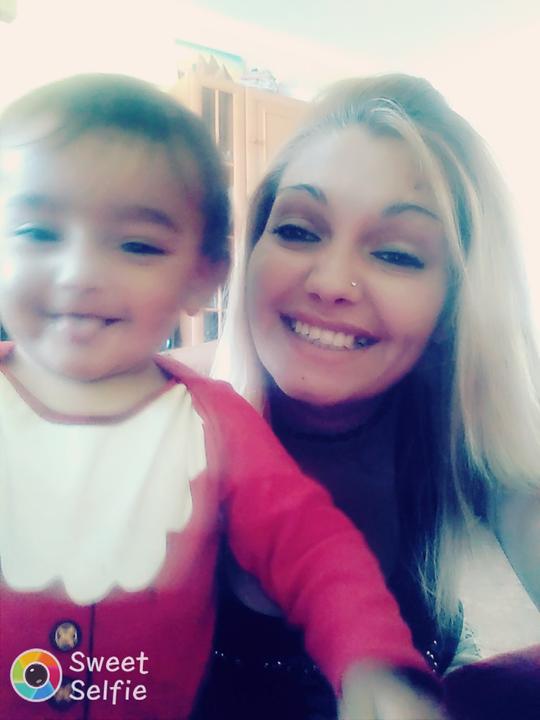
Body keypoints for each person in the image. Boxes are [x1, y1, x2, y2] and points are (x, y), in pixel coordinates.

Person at [0, 73, 445, 720]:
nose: (79, 273)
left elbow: (314, 549)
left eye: (137, 245)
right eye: (37, 233)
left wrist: (370, 659)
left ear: (204, 277)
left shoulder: (218, 425)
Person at [172, 74, 540, 719]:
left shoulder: (468, 451)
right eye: (298, 231)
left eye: (396, 254)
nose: (332, 282)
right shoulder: (160, 413)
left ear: (455, 304)